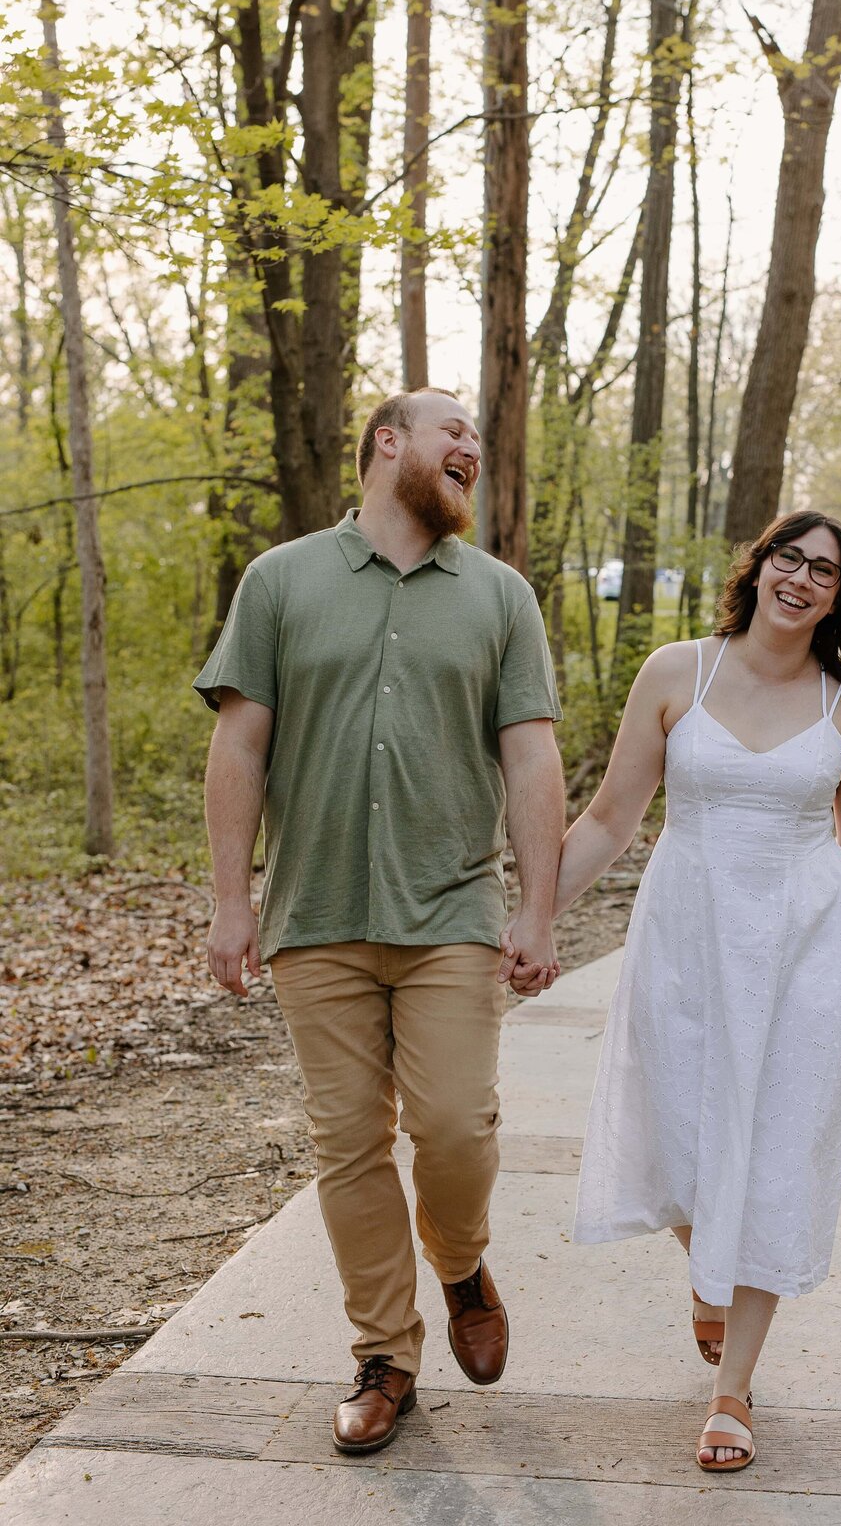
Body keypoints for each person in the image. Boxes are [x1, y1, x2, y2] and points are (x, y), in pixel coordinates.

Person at [193, 388, 564, 1455]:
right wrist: (233, 898)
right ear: (388, 444)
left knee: (452, 1128)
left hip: (449, 906)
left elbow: (530, 754)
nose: (473, 453)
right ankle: (385, 1357)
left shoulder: (500, 597)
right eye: (456, 433)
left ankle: (460, 1260)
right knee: (348, 1145)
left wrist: (537, 907)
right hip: (316, 913)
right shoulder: (280, 582)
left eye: (479, 446)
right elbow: (241, 746)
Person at [554, 509, 841, 1473]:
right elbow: (608, 817)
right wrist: (530, 914)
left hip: (804, 950)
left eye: (825, 573)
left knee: (772, 1157)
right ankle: (708, 1267)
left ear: (840, 598)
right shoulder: (679, 672)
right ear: (758, 569)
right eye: (788, 560)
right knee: (679, 1140)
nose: (800, 580)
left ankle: (732, 1391)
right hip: (685, 940)